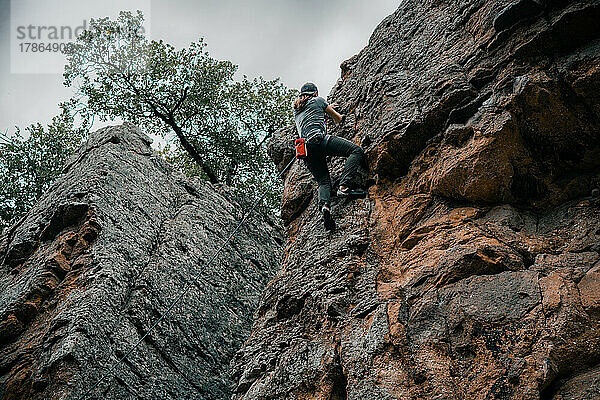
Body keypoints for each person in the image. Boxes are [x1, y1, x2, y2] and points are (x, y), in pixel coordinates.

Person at [293, 82, 366, 231]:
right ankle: (344, 187)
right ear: (316, 93)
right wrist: (330, 109)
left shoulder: (296, 110)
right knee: (356, 151)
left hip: (305, 150)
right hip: (320, 141)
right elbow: (338, 118)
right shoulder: (319, 101)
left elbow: (312, 109)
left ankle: (325, 207)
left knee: (323, 181)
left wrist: (326, 107)